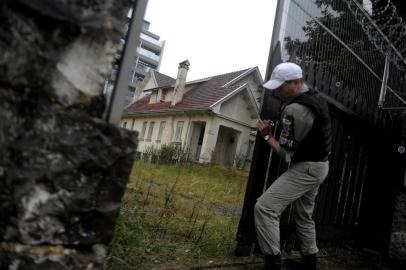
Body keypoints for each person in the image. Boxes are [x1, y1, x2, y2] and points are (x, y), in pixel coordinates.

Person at [255, 62, 332, 270]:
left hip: (307, 168)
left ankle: (272, 263)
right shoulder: (316, 98)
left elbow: (284, 153)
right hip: (321, 165)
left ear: (296, 82)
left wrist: (267, 135)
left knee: (265, 208)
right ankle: (309, 263)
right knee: (303, 215)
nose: (278, 91)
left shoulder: (294, 108)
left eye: (281, 87)